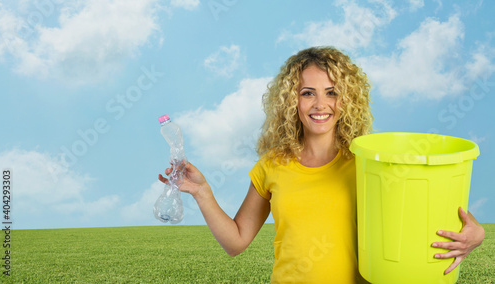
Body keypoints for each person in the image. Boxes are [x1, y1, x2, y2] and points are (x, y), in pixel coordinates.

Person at [158, 46, 485, 283]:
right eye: (307, 93)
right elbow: (237, 241)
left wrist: (476, 233)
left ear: (347, 100)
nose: (320, 104)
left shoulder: (370, 163)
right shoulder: (272, 165)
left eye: (332, 92)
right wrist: (202, 192)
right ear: (291, 101)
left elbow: (429, 214)